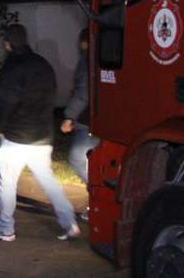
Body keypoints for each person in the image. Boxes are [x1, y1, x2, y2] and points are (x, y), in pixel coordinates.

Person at [0, 23, 80, 242]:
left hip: (17, 137)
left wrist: (1, 129)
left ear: (7, 43)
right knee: (48, 181)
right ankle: (69, 222)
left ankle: (5, 228)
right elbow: (51, 97)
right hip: (42, 136)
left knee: (7, 183)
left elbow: (5, 102)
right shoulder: (43, 64)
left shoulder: (12, 66)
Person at [60, 28, 99, 221]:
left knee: (77, 158)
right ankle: (97, 200)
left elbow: (84, 91)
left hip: (86, 121)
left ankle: (99, 197)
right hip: (94, 120)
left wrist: (69, 116)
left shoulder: (87, 59)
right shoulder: (98, 57)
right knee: (91, 162)